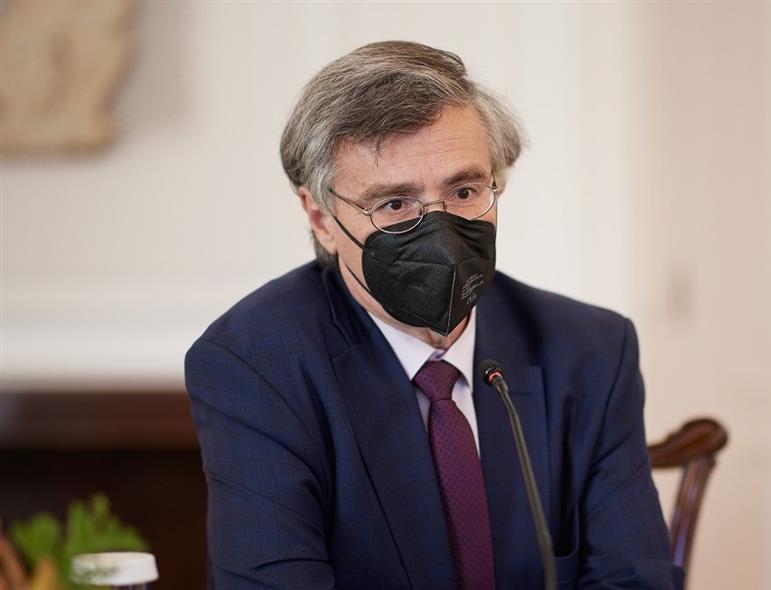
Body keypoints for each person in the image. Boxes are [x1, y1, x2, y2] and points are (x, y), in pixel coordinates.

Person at [185, 41, 684, 590]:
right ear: (321, 218)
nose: (441, 233)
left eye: (464, 190)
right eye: (395, 203)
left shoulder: (589, 350)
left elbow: (635, 578)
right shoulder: (256, 365)